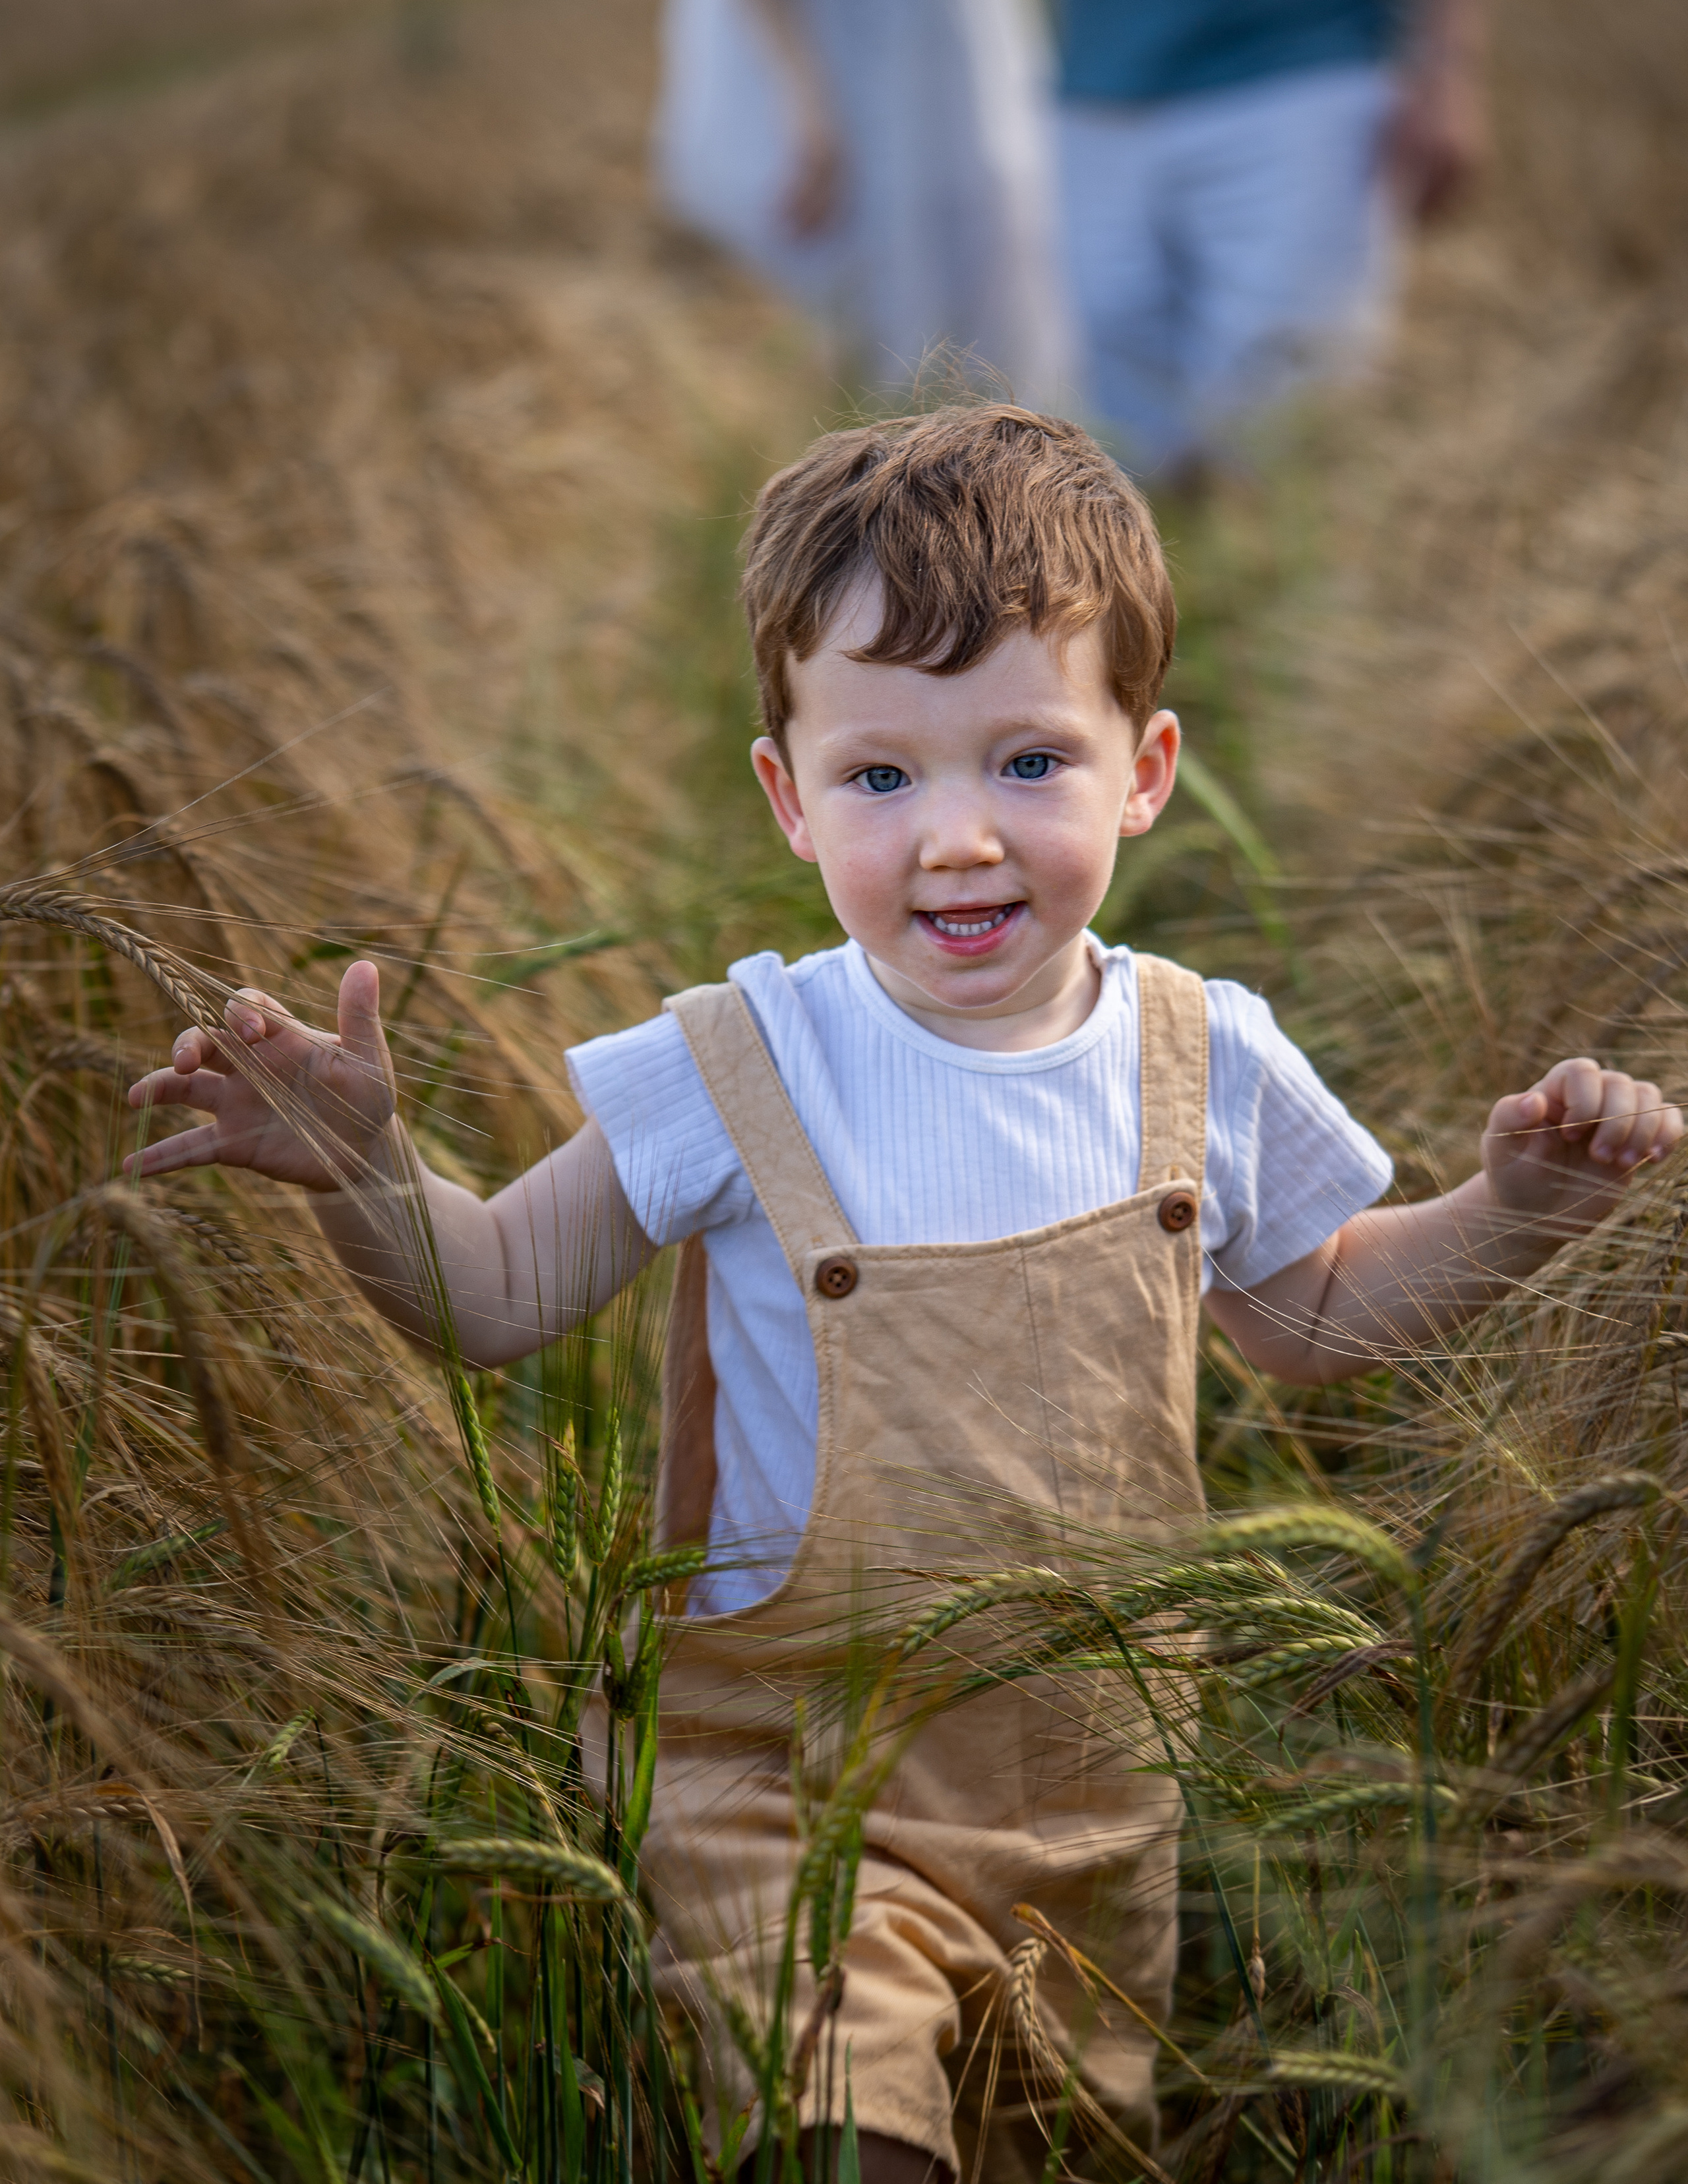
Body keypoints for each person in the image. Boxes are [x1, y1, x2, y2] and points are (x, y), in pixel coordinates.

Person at [127, 405, 1676, 2181]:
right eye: (884, 778)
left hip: (1093, 1796)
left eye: (1027, 762)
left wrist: (1516, 1209)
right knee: (862, 2145)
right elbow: (491, 1298)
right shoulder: (742, 1061)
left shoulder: (1199, 1055)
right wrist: (365, 1179)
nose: (956, 839)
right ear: (788, 797)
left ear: (1145, 768)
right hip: (786, 1778)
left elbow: (1310, 1317)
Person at [1055, 0, 1488, 479]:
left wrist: (1448, 66)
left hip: (1300, 70)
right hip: (1092, 86)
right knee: (1118, 442)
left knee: (1290, 420)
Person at [655, 0, 1072, 406]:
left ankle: (963, 439)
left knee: (972, 252)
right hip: (826, 53)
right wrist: (808, 107)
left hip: (936, 45)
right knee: (839, 281)